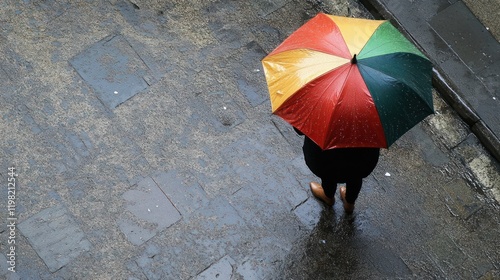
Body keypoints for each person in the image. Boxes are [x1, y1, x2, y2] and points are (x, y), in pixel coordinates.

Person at [294, 127, 380, 214]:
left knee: (328, 174)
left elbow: (300, 130)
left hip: (325, 157)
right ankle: (349, 204)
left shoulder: (320, 113)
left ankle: (328, 196)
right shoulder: (372, 116)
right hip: (362, 158)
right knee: (356, 176)